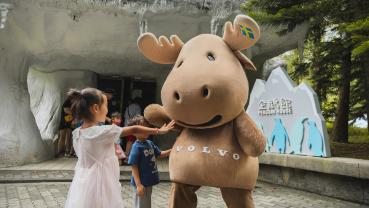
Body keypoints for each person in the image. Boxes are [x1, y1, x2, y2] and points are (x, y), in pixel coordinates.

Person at [64, 87, 175, 208]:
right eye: (106, 105)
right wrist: (159, 130)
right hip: (102, 180)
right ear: (96, 108)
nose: (107, 110)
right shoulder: (103, 132)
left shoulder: (76, 133)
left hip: (82, 180)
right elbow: (134, 129)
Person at [127, 115, 171, 208]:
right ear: (134, 132)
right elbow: (134, 167)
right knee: (141, 205)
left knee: (146, 204)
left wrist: (172, 150)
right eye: (142, 127)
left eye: (147, 126)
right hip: (142, 183)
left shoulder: (149, 143)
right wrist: (138, 185)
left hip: (148, 181)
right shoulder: (136, 147)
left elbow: (160, 154)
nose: (146, 129)